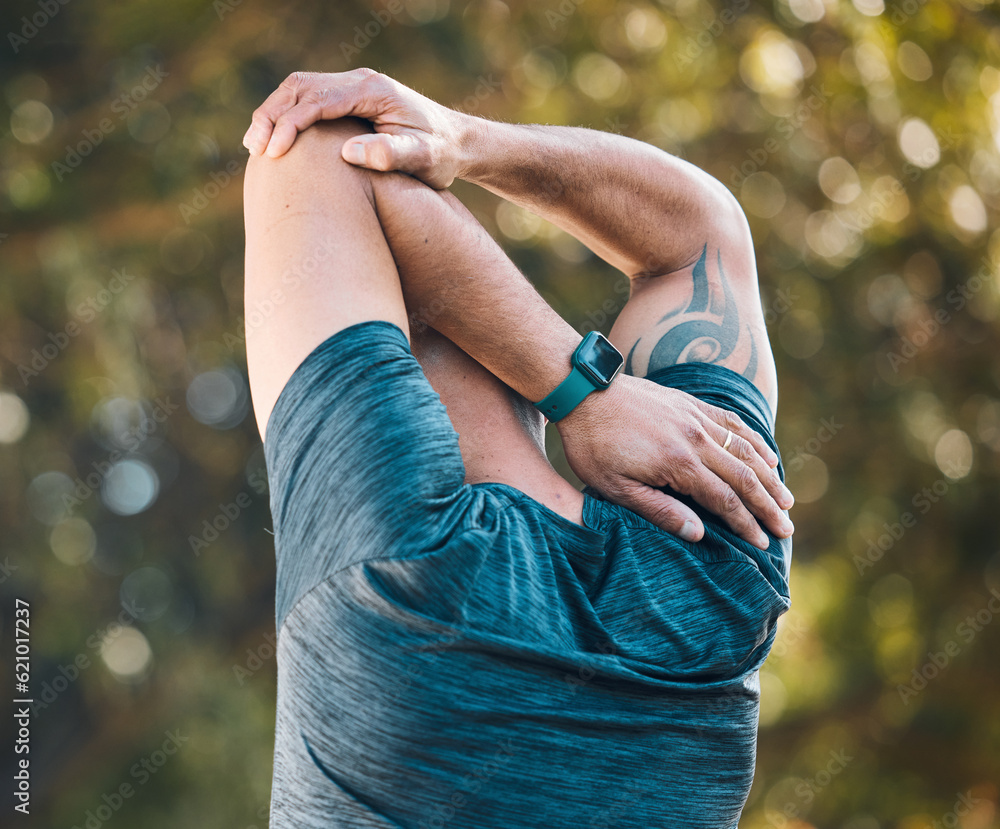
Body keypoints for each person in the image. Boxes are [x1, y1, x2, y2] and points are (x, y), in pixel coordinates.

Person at [241, 68, 794, 829]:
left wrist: (464, 143)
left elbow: (700, 237)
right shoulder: (388, 571)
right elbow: (321, 151)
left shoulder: (722, 587)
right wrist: (579, 389)